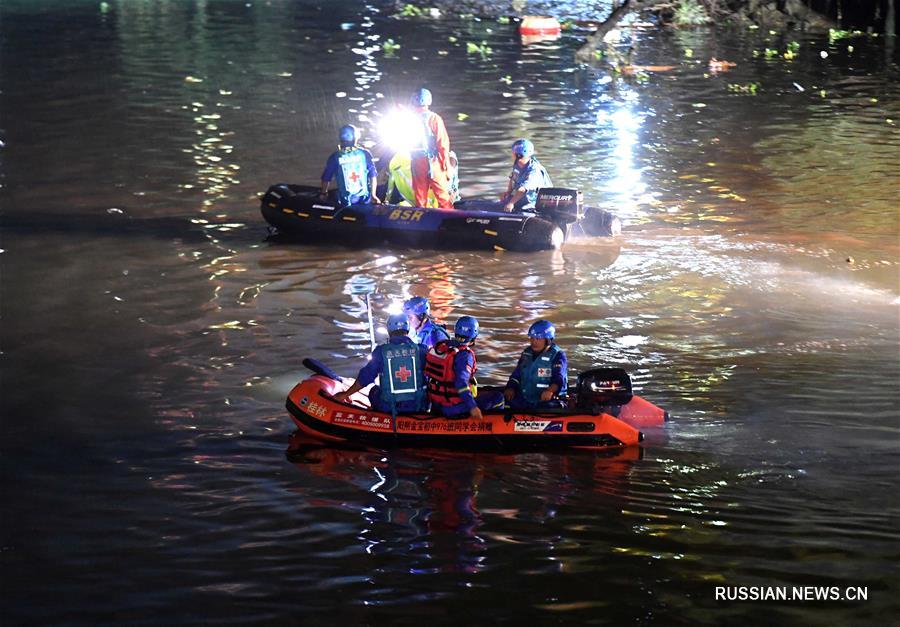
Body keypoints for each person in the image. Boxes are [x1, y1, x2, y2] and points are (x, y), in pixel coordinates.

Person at [333, 313, 427, 413]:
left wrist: (345, 394)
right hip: (417, 406)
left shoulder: (380, 352)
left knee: (374, 391)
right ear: (407, 329)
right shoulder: (422, 350)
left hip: (389, 407)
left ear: (389, 330)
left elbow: (365, 377)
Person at [424, 316, 504, 420]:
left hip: (436, 404)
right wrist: (473, 407)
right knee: (498, 397)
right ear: (474, 336)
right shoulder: (464, 355)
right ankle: (495, 427)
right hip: (451, 407)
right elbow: (461, 382)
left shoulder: (441, 347)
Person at [503, 319, 568, 409]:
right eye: (532, 338)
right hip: (526, 400)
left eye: (538, 338)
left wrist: (550, 391)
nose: (534, 342)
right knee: (500, 401)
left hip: (548, 401)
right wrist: (510, 388)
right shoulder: (526, 353)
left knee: (548, 407)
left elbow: (559, 379)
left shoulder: (558, 355)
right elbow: (516, 375)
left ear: (548, 340)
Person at [409, 88, 454, 209]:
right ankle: (450, 219)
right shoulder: (434, 118)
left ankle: (421, 219)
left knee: (420, 196)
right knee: (442, 196)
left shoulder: (408, 119)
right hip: (433, 161)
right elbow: (443, 144)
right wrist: (447, 165)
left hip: (416, 161)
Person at [320, 124, 380, 207]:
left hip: (347, 203)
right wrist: (374, 195)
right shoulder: (365, 154)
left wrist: (324, 193)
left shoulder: (335, 157)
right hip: (365, 200)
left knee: (335, 194)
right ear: (355, 138)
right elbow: (373, 176)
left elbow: (326, 178)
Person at [386, 150, 460, 206]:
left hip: (441, 202)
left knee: (451, 157)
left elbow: (442, 143)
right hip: (413, 203)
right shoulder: (396, 160)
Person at [500, 138, 552, 212]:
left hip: (532, 205)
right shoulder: (517, 163)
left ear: (519, 154)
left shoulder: (534, 170)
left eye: (513, 152)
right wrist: (508, 192)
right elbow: (513, 178)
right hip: (521, 200)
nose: (512, 154)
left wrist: (511, 203)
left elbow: (523, 189)